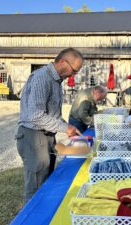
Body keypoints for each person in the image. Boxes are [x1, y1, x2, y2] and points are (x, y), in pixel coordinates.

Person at [15, 48, 83, 203]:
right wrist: (66, 128)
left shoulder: (56, 81)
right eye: (74, 70)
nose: (74, 75)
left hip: (45, 136)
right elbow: (35, 115)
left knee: (46, 183)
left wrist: (67, 126)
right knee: (36, 189)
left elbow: (53, 115)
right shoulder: (42, 77)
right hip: (33, 136)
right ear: (62, 62)